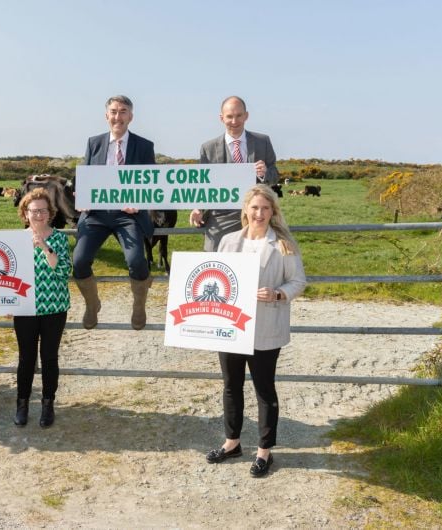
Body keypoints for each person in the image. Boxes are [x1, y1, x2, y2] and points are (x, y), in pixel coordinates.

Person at [207, 184, 306, 477]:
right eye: (254, 208)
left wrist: (277, 294)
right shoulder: (228, 241)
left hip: (265, 326)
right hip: (231, 326)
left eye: (265, 208)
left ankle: (264, 451)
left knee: (264, 389)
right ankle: (232, 442)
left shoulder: (283, 243)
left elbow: (298, 281)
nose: (259, 213)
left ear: (273, 212)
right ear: (245, 211)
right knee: (230, 385)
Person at [73, 95, 155, 330]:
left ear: (131, 116)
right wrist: (83, 196)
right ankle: (92, 304)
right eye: (113, 111)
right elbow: (86, 177)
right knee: (79, 261)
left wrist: (139, 202)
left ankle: (139, 304)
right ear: (106, 115)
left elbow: (151, 183)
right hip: (96, 215)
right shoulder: (94, 143)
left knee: (137, 261)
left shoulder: (144, 145)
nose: (117, 116)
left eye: (123, 111)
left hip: (127, 215)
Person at [12, 188, 72, 428]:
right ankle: (22, 403)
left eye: (42, 211)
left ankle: (48, 403)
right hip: (25, 308)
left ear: (50, 213)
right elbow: (10, 273)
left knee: (49, 357)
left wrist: (45, 247)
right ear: (25, 214)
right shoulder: (17, 240)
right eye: (33, 211)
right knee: (26, 357)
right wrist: (8, 300)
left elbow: (63, 270)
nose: (38, 215)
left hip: (54, 307)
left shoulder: (59, 238)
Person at [189, 96, 280, 251]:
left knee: (258, 262)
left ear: (246, 115)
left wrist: (264, 173)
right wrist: (198, 207)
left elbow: (275, 175)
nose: (234, 121)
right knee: (214, 259)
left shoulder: (262, 141)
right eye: (229, 116)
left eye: (239, 115)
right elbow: (203, 184)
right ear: (221, 118)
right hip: (220, 216)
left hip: (257, 214)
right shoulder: (208, 148)